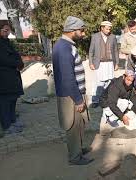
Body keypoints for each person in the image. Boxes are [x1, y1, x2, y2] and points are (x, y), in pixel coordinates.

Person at [52, 16, 93, 165]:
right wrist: (78, 99)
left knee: (79, 125)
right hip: (70, 96)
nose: (83, 34)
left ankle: (78, 150)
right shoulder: (63, 47)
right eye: (81, 31)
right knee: (73, 127)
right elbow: (68, 78)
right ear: (72, 30)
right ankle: (75, 157)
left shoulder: (66, 45)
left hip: (73, 94)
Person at [0, 22, 24, 135]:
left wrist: (19, 63)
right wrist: (17, 63)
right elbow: (3, 59)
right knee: (5, 102)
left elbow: (15, 55)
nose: (7, 33)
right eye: (5, 30)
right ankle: (7, 125)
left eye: (8, 31)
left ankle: (13, 121)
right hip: (3, 79)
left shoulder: (7, 42)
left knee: (13, 99)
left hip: (12, 76)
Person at [88, 21, 120, 108]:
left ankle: (106, 100)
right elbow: (91, 50)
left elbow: (116, 51)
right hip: (99, 63)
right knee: (98, 83)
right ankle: (95, 100)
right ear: (102, 28)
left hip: (110, 63)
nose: (108, 30)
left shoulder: (113, 37)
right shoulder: (95, 37)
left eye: (110, 29)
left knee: (109, 82)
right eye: (107, 29)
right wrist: (91, 62)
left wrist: (117, 63)